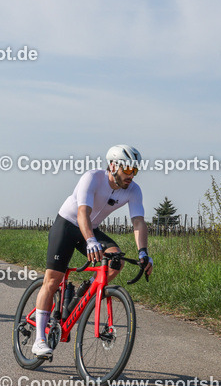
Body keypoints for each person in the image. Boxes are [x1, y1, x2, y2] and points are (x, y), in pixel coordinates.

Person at [30, 144, 154, 357]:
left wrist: (143, 252)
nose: (131, 175)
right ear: (113, 166)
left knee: (116, 261)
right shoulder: (92, 178)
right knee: (52, 280)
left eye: (135, 170)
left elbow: (138, 222)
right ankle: (39, 339)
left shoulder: (134, 190)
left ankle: (85, 290)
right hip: (68, 225)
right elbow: (82, 213)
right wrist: (90, 241)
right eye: (127, 169)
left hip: (91, 228)